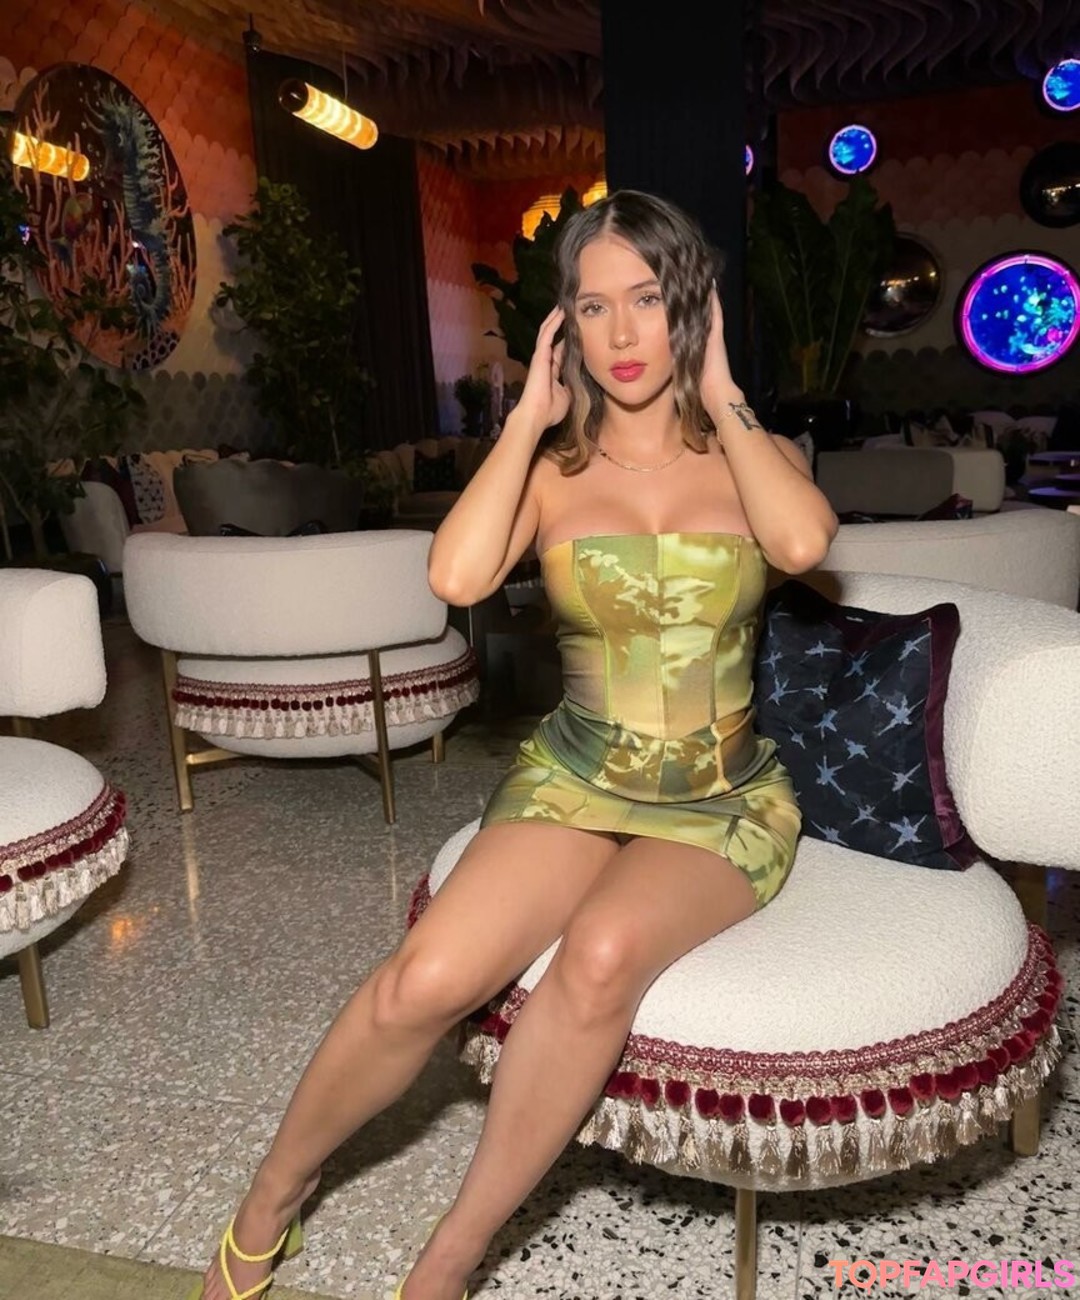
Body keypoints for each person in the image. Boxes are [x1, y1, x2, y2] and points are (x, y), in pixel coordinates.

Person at [191, 189, 838, 1300]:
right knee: (424, 979)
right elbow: (454, 577)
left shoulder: (755, 453)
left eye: (649, 299)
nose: (623, 333)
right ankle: (271, 1201)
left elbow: (804, 541)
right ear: (563, 325)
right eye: (594, 305)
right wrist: (524, 424)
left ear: (693, 307)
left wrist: (723, 389)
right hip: (578, 775)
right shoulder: (549, 474)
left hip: (721, 796)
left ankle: (450, 1256)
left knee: (601, 954)